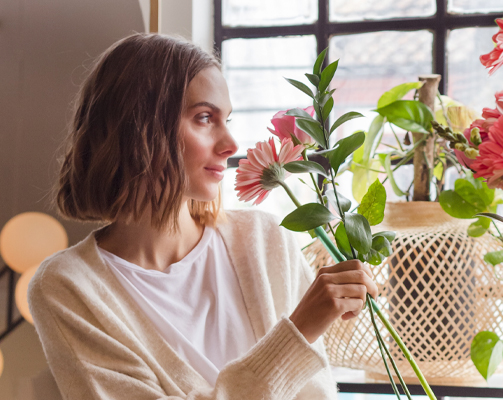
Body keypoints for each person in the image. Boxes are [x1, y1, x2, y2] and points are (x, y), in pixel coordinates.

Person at [28, 33, 378, 400]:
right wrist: (299, 330)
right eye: (205, 118)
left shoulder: (265, 241)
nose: (231, 145)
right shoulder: (68, 288)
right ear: (140, 128)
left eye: (226, 118)